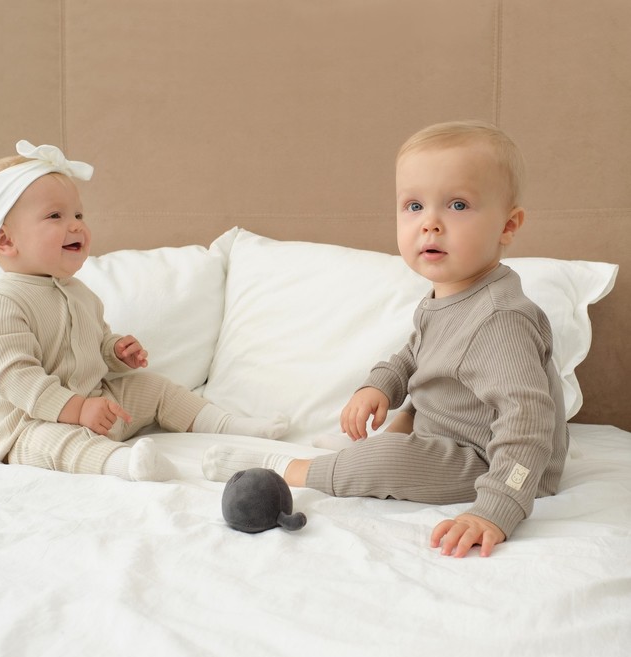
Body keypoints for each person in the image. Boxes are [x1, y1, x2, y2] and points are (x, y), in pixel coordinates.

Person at [203, 120, 569, 557]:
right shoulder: (448, 296)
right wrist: (379, 385)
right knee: (421, 398)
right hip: (447, 424)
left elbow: (527, 420)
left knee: (390, 460)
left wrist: (497, 507)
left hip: (491, 458)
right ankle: (365, 453)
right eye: (414, 206)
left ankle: (290, 468)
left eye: (457, 204)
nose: (430, 224)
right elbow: (415, 355)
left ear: (508, 226)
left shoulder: (501, 319)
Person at [0, 140, 288, 481]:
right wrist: (78, 409)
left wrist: (115, 352)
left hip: (98, 404)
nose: (76, 226)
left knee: (152, 387)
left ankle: (228, 426)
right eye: (55, 215)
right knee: (58, 442)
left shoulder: (81, 293)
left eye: (78, 215)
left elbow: (96, 345)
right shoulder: (2, 302)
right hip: (34, 423)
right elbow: (17, 379)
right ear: (5, 241)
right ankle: (126, 464)